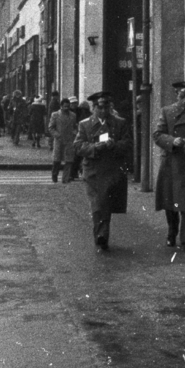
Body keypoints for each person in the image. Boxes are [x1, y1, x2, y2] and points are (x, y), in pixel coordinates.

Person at [74, 90, 132, 250]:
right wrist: (94, 147)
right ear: (93, 108)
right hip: (93, 170)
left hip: (112, 169)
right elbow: (78, 146)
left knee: (105, 202)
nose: (104, 110)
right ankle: (101, 235)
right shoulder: (85, 124)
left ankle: (102, 234)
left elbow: (128, 144)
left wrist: (115, 145)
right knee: (98, 203)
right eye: (100, 107)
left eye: (107, 107)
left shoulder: (120, 123)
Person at [153, 80, 185, 252]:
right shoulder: (167, 112)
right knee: (171, 203)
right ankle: (171, 232)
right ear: (176, 95)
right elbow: (157, 134)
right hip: (172, 163)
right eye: (182, 96)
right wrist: (172, 141)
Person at [47, 97, 79, 183]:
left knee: (69, 160)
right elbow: (51, 127)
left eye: (68, 106)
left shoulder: (73, 115)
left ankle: (65, 178)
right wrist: (57, 135)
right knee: (57, 160)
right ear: (61, 106)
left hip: (69, 140)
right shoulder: (55, 115)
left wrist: (75, 133)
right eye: (65, 106)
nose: (66, 108)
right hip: (59, 140)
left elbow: (74, 127)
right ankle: (54, 174)